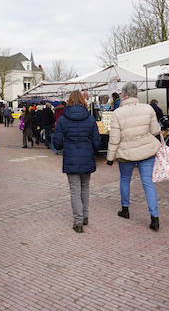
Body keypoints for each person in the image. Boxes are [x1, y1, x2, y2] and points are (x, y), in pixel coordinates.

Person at [106, 82, 162, 231]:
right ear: (136, 94)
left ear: (124, 95)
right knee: (148, 183)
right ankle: (154, 217)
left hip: (126, 152)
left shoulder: (117, 113)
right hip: (146, 151)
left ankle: (125, 209)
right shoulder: (148, 108)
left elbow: (114, 138)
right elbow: (155, 131)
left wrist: (110, 158)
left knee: (125, 179)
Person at [53, 91, 101, 233]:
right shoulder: (90, 118)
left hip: (71, 158)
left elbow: (57, 141)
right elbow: (97, 141)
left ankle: (78, 221)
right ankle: (84, 217)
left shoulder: (63, 119)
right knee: (85, 188)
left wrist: (62, 146)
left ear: (69, 101)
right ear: (82, 101)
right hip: (86, 157)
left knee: (75, 190)